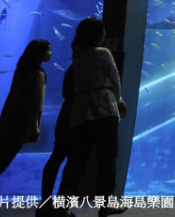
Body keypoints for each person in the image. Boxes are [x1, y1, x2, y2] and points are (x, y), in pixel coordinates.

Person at [56, 18, 127, 217]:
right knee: (108, 157)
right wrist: (119, 99)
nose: (105, 34)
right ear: (98, 34)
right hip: (104, 107)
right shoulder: (102, 53)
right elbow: (115, 78)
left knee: (77, 160)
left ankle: (62, 206)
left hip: (81, 110)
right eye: (103, 31)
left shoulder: (78, 54)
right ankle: (107, 204)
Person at [0, 40, 51, 217]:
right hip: (21, 126)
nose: (51, 53)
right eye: (48, 50)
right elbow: (36, 105)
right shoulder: (38, 74)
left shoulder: (22, 70)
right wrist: (35, 127)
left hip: (9, 121)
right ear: (39, 53)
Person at [37, 66, 77, 217]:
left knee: (56, 158)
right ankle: (61, 207)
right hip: (76, 119)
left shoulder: (71, 69)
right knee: (72, 164)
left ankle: (46, 202)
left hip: (66, 118)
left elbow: (65, 92)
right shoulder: (82, 69)